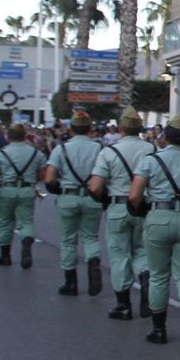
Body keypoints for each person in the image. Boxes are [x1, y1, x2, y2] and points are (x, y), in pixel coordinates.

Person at [130, 116, 180, 350]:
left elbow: (134, 195)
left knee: (159, 275)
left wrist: (143, 210)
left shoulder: (151, 160)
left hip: (159, 216)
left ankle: (159, 329)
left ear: (166, 136)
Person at [88, 107, 156, 320]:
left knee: (119, 256)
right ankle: (146, 285)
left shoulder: (109, 151)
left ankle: (123, 304)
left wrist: (104, 199)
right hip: (144, 207)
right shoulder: (151, 148)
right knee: (142, 251)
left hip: (118, 206)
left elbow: (95, 186)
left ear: (122, 128)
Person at [45, 110, 105, 298]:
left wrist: (58, 189)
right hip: (92, 197)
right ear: (91, 129)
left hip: (68, 197)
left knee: (69, 240)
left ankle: (70, 283)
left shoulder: (61, 149)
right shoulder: (100, 148)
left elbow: (49, 178)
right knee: (91, 237)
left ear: (70, 129)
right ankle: (93, 261)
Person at [0, 122, 45, 268]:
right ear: (24, 136)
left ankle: (5, 255)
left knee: (5, 222)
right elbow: (43, 173)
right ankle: (26, 240)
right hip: (27, 190)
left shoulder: (1, 153)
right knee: (26, 221)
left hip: (6, 190)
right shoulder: (36, 153)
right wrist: (32, 180)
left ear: (8, 137)